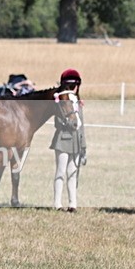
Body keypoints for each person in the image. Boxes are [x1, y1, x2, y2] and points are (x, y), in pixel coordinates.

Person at [50, 68, 86, 212]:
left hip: (76, 141)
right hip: (63, 140)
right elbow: (58, 123)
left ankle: (73, 204)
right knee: (61, 172)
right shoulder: (61, 103)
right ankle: (57, 203)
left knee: (73, 173)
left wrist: (84, 147)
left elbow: (82, 127)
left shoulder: (77, 103)